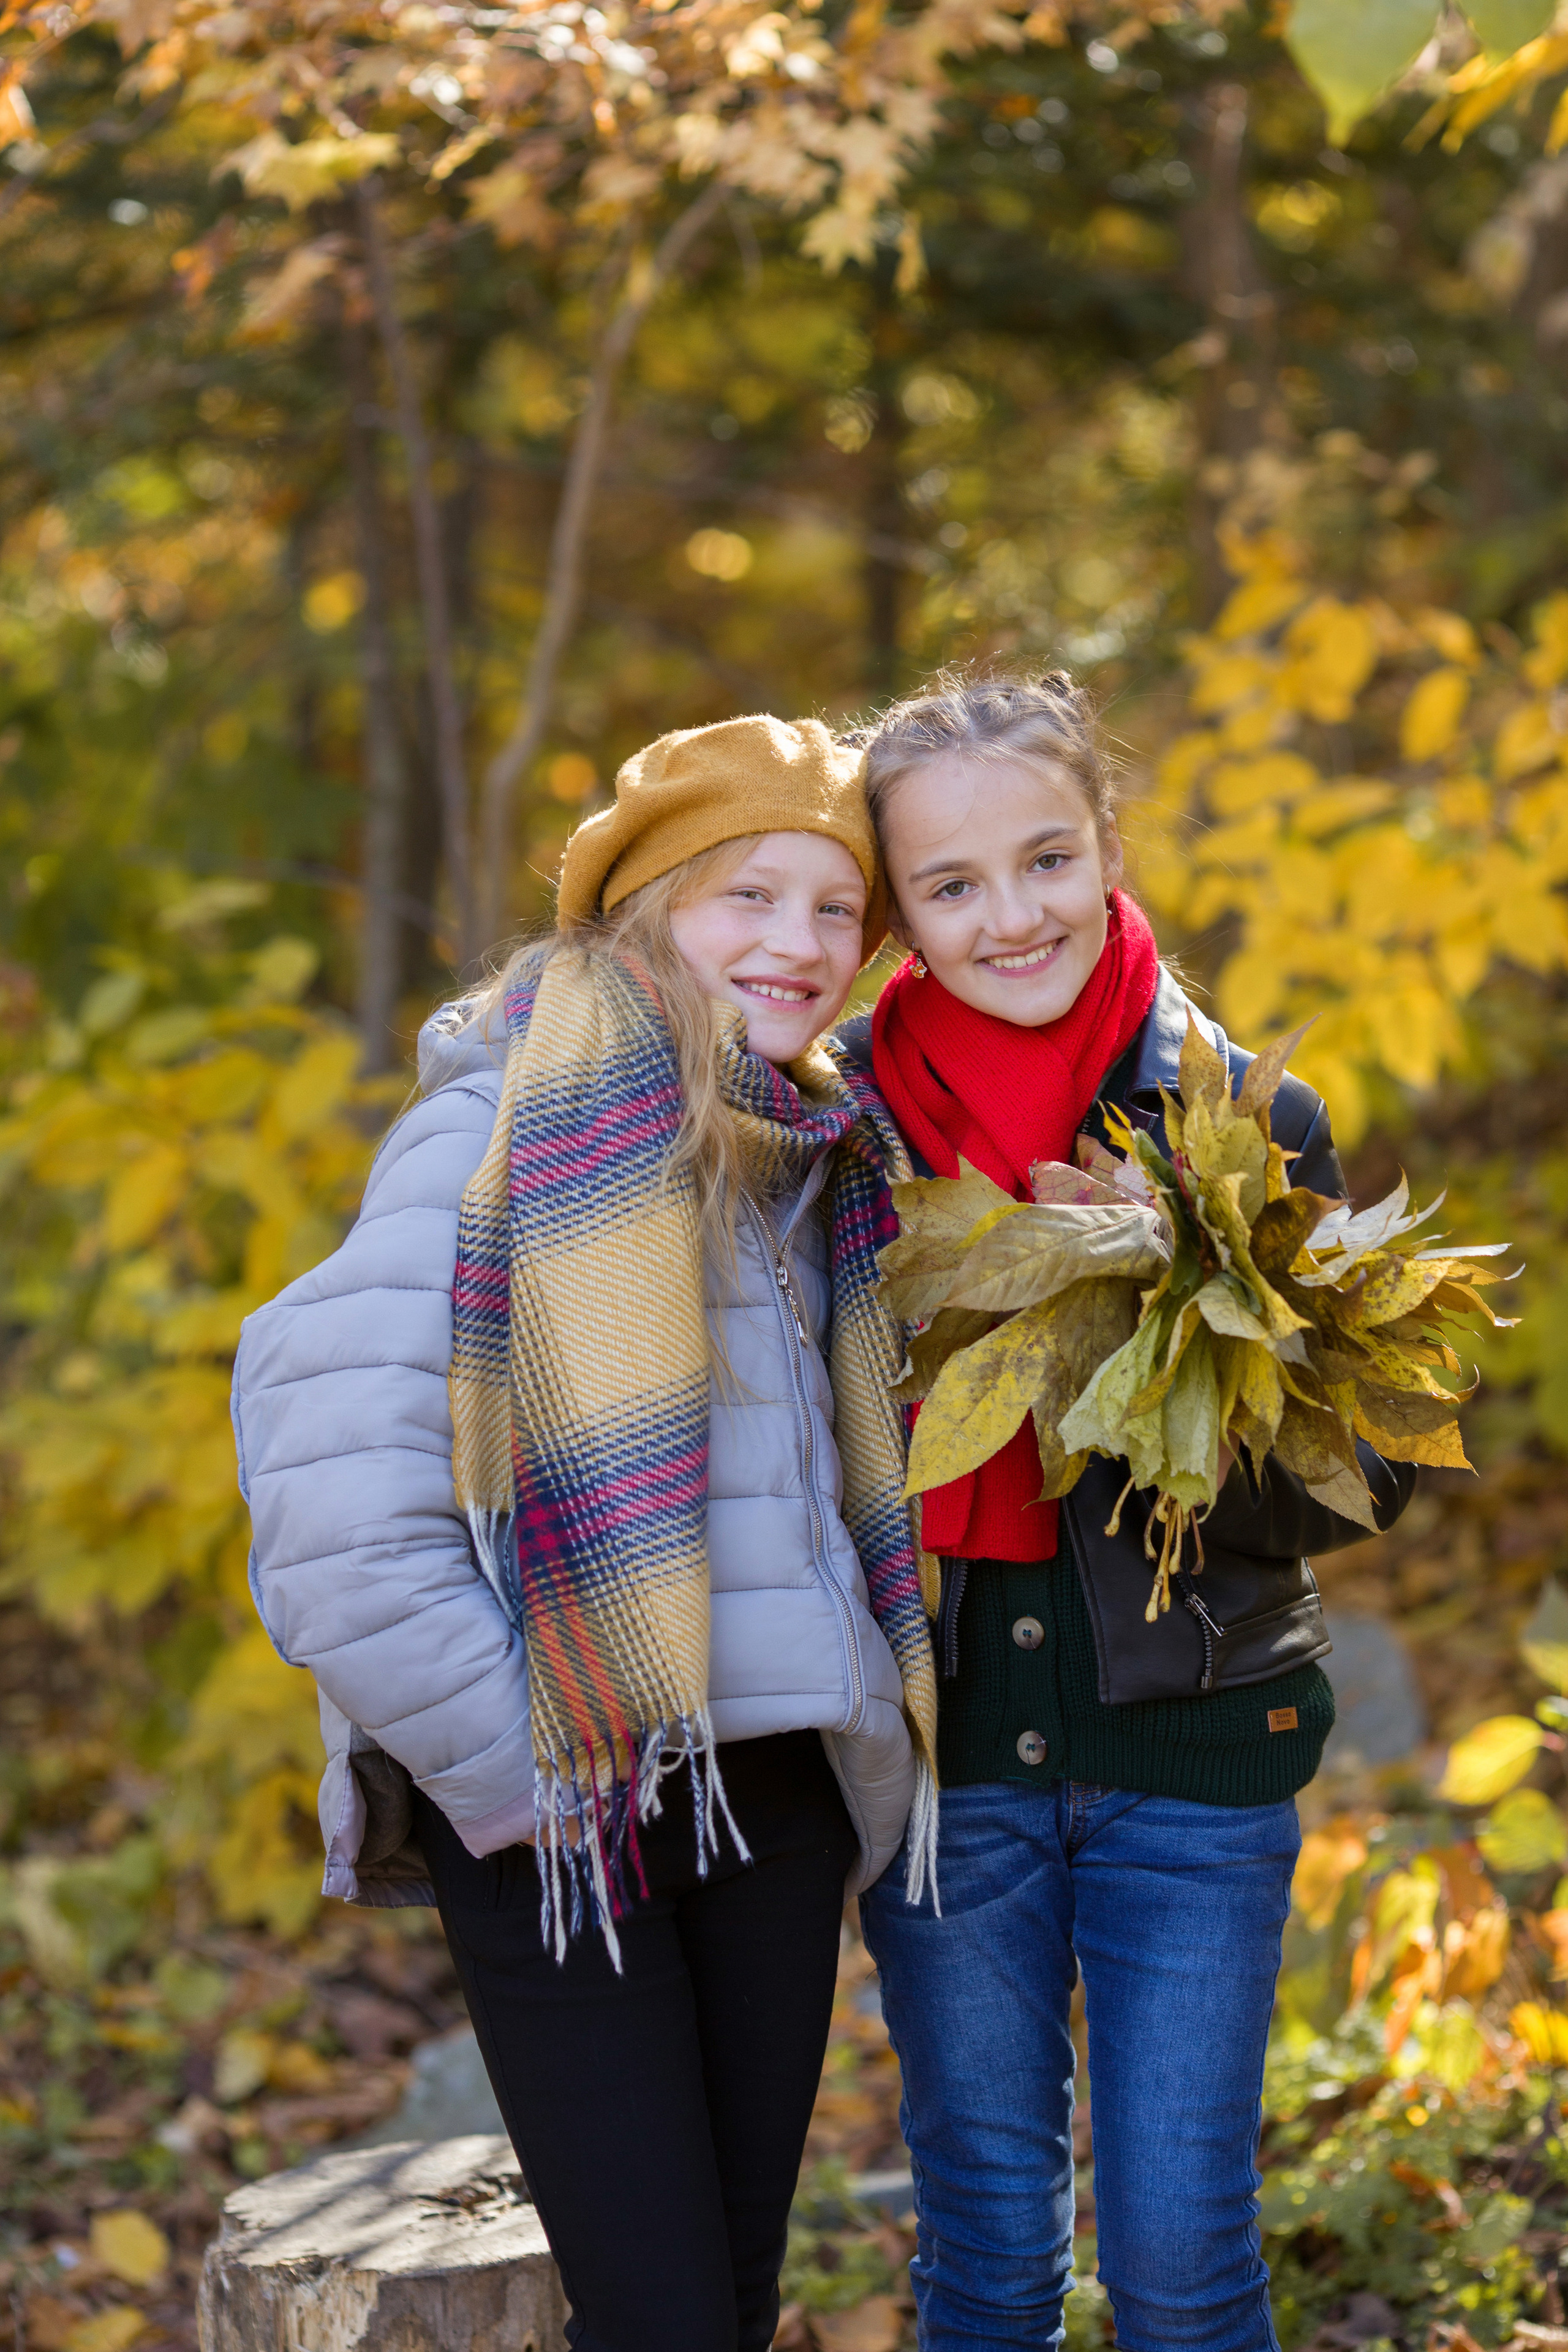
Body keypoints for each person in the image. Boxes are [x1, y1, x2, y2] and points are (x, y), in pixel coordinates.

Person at [230, 714, 940, 2352]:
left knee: (728, 2305)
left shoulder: (815, 1155)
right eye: (748, 894)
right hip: (572, 1800)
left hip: (769, 1794)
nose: (800, 942)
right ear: (644, 906)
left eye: (837, 908)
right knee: (662, 2317)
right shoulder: (495, 1129)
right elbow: (336, 1509)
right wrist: (522, 1780)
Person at [837, 672, 1417, 2352]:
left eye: (1046, 859)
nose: (1012, 916)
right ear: (897, 912)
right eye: (952, 885)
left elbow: (1367, 1470)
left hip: (1198, 1754)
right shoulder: (837, 1135)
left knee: (1181, 2266)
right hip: (947, 1767)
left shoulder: (1245, 1117)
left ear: (1107, 844)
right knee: (988, 2259)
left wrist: (1158, 1362)